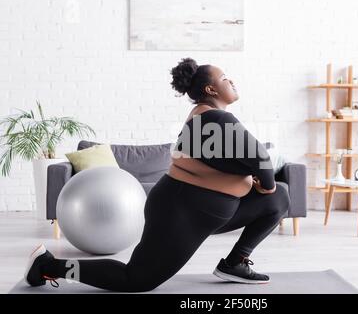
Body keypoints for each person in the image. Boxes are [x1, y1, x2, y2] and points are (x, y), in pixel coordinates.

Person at [24, 58, 290, 292]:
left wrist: (259, 184)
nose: (231, 81)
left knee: (279, 199)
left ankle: (235, 263)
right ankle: (49, 265)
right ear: (210, 89)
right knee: (136, 279)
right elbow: (261, 160)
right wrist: (265, 185)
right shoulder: (215, 118)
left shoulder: (209, 119)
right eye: (224, 78)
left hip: (212, 212)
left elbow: (233, 161)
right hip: (182, 212)